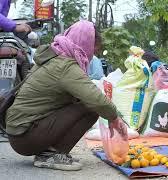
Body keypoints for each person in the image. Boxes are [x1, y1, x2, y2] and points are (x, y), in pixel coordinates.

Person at [5, 20, 128, 171]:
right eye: (92, 49)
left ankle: (50, 152)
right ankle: (51, 155)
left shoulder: (54, 56)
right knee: (90, 108)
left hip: (20, 133)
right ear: (85, 43)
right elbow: (98, 100)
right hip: (25, 136)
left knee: (83, 102)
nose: (92, 55)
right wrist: (115, 118)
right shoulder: (65, 65)